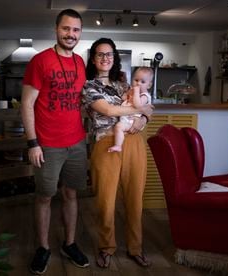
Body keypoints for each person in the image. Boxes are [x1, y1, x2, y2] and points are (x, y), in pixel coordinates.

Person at [21, 9, 89, 275]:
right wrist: (32, 143)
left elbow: (82, 101)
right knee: (45, 197)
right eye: (66, 29)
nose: (70, 34)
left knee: (71, 194)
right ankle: (43, 247)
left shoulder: (81, 63)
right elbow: (26, 104)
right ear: (56, 29)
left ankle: (69, 244)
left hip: (76, 142)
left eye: (75, 30)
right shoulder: (40, 61)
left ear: (80, 33)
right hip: (47, 143)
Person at [82, 38, 154, 268]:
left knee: (135, 200)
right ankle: (106, 247)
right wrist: (141, 109)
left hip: (134, 143)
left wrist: (143, 119)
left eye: (109, 54)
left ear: (114, 58)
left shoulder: (125, 83)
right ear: (93, 59)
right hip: (105, 144)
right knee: (105, 201)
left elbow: (150, 108)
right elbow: (109, 110)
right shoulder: (89, 86)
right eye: (100, 54)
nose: (105, 58)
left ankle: (135, 248)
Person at [108, 67, 153, 152]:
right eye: (136, 80)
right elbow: (123, 97)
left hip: (131, 121)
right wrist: (128, 94)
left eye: (142, 82)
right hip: (126, 118)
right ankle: (118, 145)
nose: (138, 84)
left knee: (118, 127)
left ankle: (118, 145)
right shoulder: (131, 90)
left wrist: (135, 93)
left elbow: (138, 106)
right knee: (119, 127)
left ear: (149, 85)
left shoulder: (144, 96)